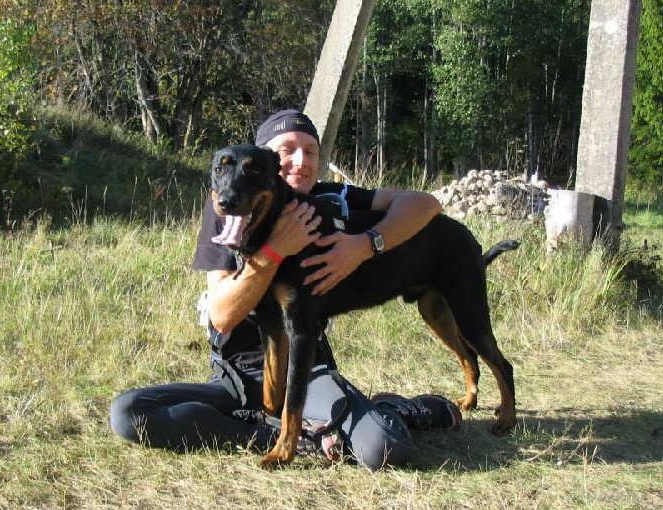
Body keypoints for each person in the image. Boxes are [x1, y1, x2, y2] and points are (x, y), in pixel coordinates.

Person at [110, 109, 462, 470]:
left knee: (384, 448)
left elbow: (426, 204)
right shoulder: (227, 208)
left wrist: (363, 245)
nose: (301, 161)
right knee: (129, 413)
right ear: (265, 161)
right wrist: (276, 249)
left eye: (311, 151)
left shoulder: (330, 197)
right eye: (288, 150)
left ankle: (393, 409)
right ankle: (279, 435)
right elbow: (222, 315)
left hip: (306, 373)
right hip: (236, 379)